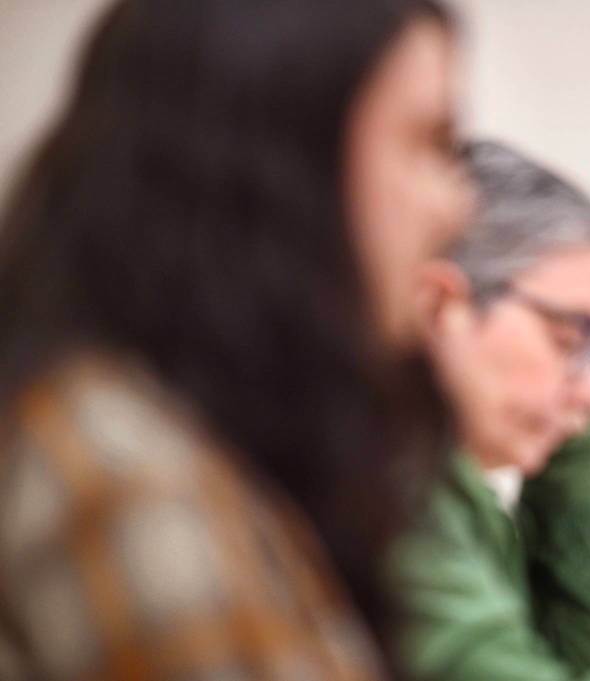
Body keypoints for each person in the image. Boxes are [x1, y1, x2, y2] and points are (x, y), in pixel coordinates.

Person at [0, 1, 471, 679]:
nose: (458, 204)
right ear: (284, 157)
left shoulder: (200, 446)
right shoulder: (126, 476)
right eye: (430, 142)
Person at [386, 140, 590, 681]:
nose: (589, 396)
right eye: (568, 338)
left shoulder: (453, 481)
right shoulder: (382, 483)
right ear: (438, 307)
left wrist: (562, 413)